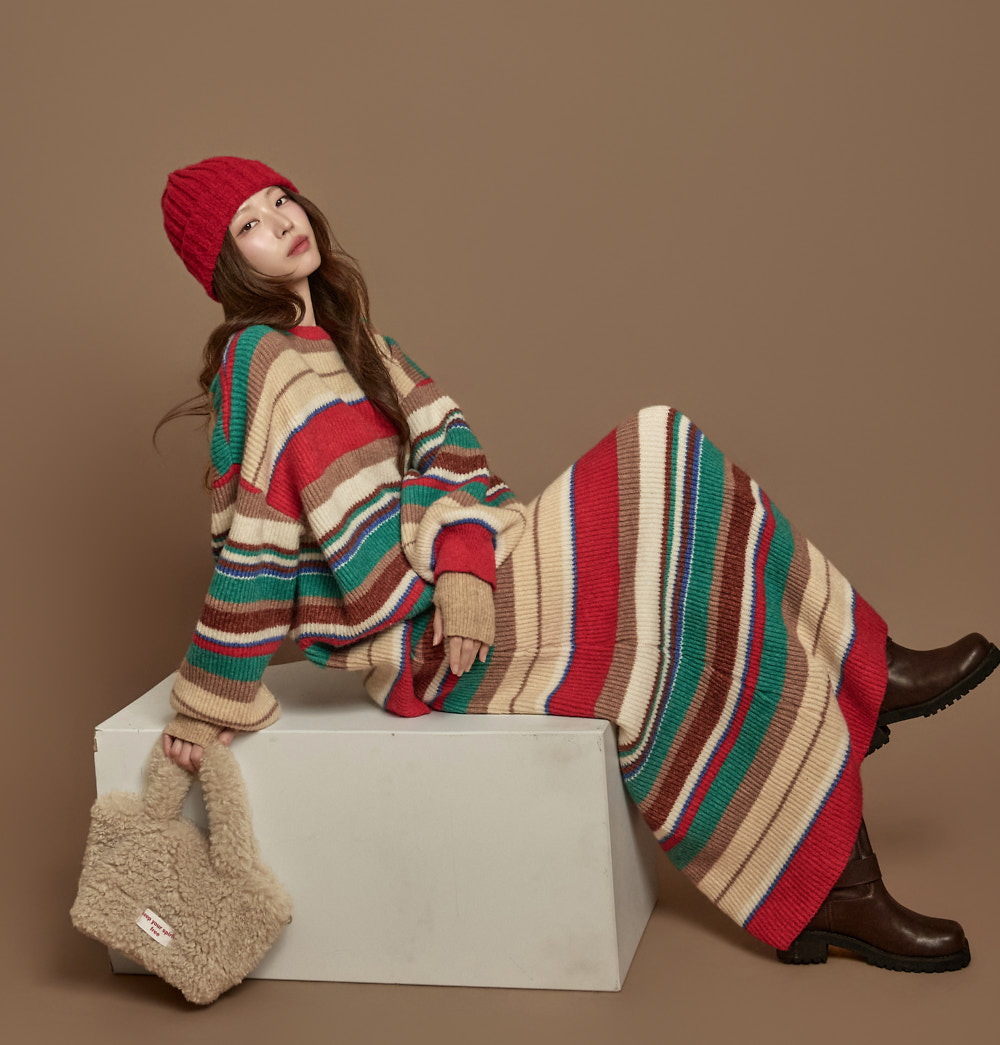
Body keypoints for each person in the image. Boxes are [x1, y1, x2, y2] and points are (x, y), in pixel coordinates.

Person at [157, 155, 997, 973]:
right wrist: (208, 700)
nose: (280, 222)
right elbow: (259, 538)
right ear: (228, 265)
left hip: (471, 581)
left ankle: (850, 795)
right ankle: (853, 768)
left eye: (279, 199)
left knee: (685, 553)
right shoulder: (258, 360)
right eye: (250, 224)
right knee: (661, 474)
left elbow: (452, 450)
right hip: (427, 643)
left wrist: (463, 558)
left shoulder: (361, 342)